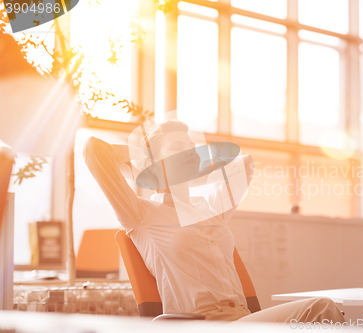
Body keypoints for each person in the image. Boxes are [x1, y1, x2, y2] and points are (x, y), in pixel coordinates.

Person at [84, 120, 346, 324]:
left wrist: (197, 160)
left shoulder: (210, 209)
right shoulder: (141, 214)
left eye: (192, 149)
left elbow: (244, 164)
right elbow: (94, 150)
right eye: (177, 149)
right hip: (201, 324)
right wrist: (145, 159)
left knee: (332, 317)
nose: (188, 153)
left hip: (241, 318)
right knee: (322, 310)